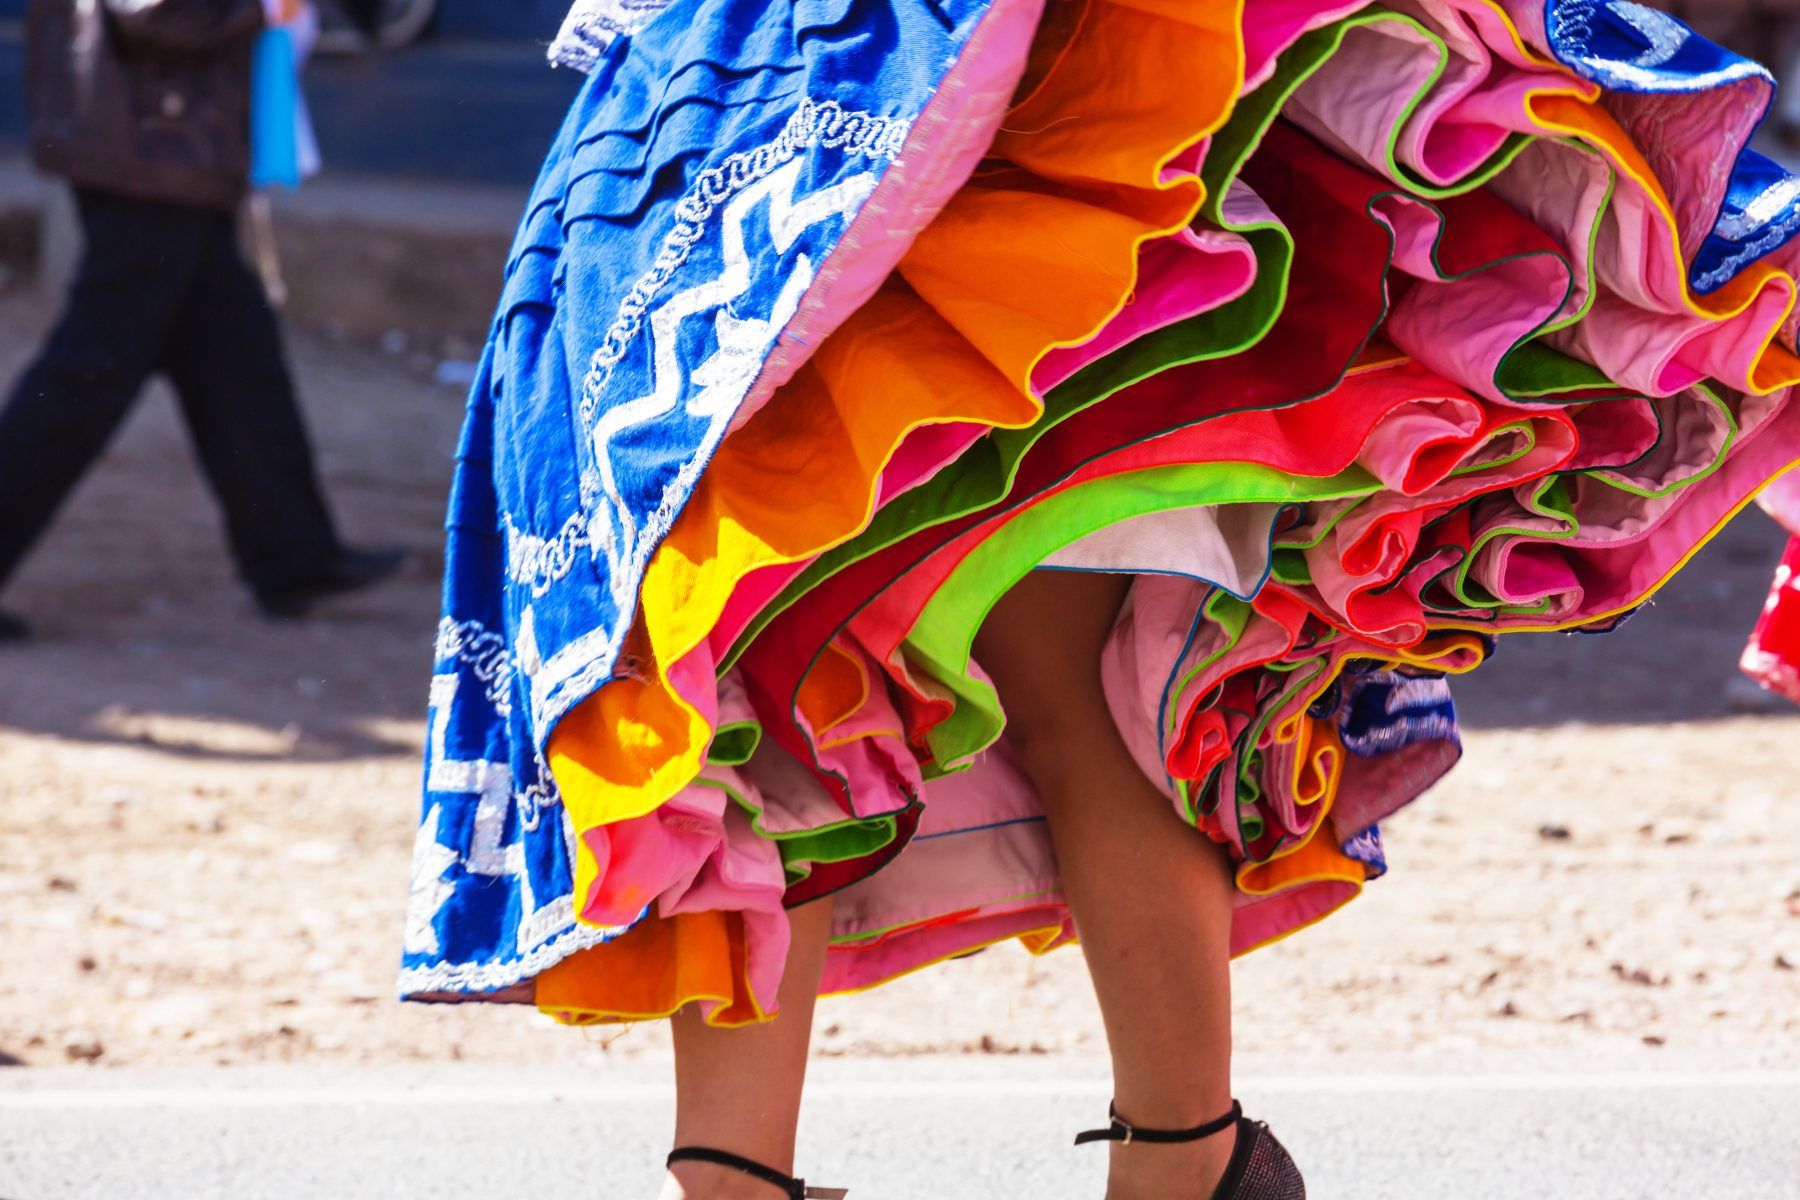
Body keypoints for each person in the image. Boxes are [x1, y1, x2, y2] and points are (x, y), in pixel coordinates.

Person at [398, 3, 1800, 1198]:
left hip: (875, 134)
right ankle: (1178, 1162)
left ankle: (750, 1182)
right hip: (1048, 134)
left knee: (759, 661)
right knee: (969, 676)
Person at [0, 0, 401, 642]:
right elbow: (152, 11)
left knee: (235, 358)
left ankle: (291, 552)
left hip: (164, 151)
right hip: (151, 156)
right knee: (87, 375)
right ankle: (290, 553)